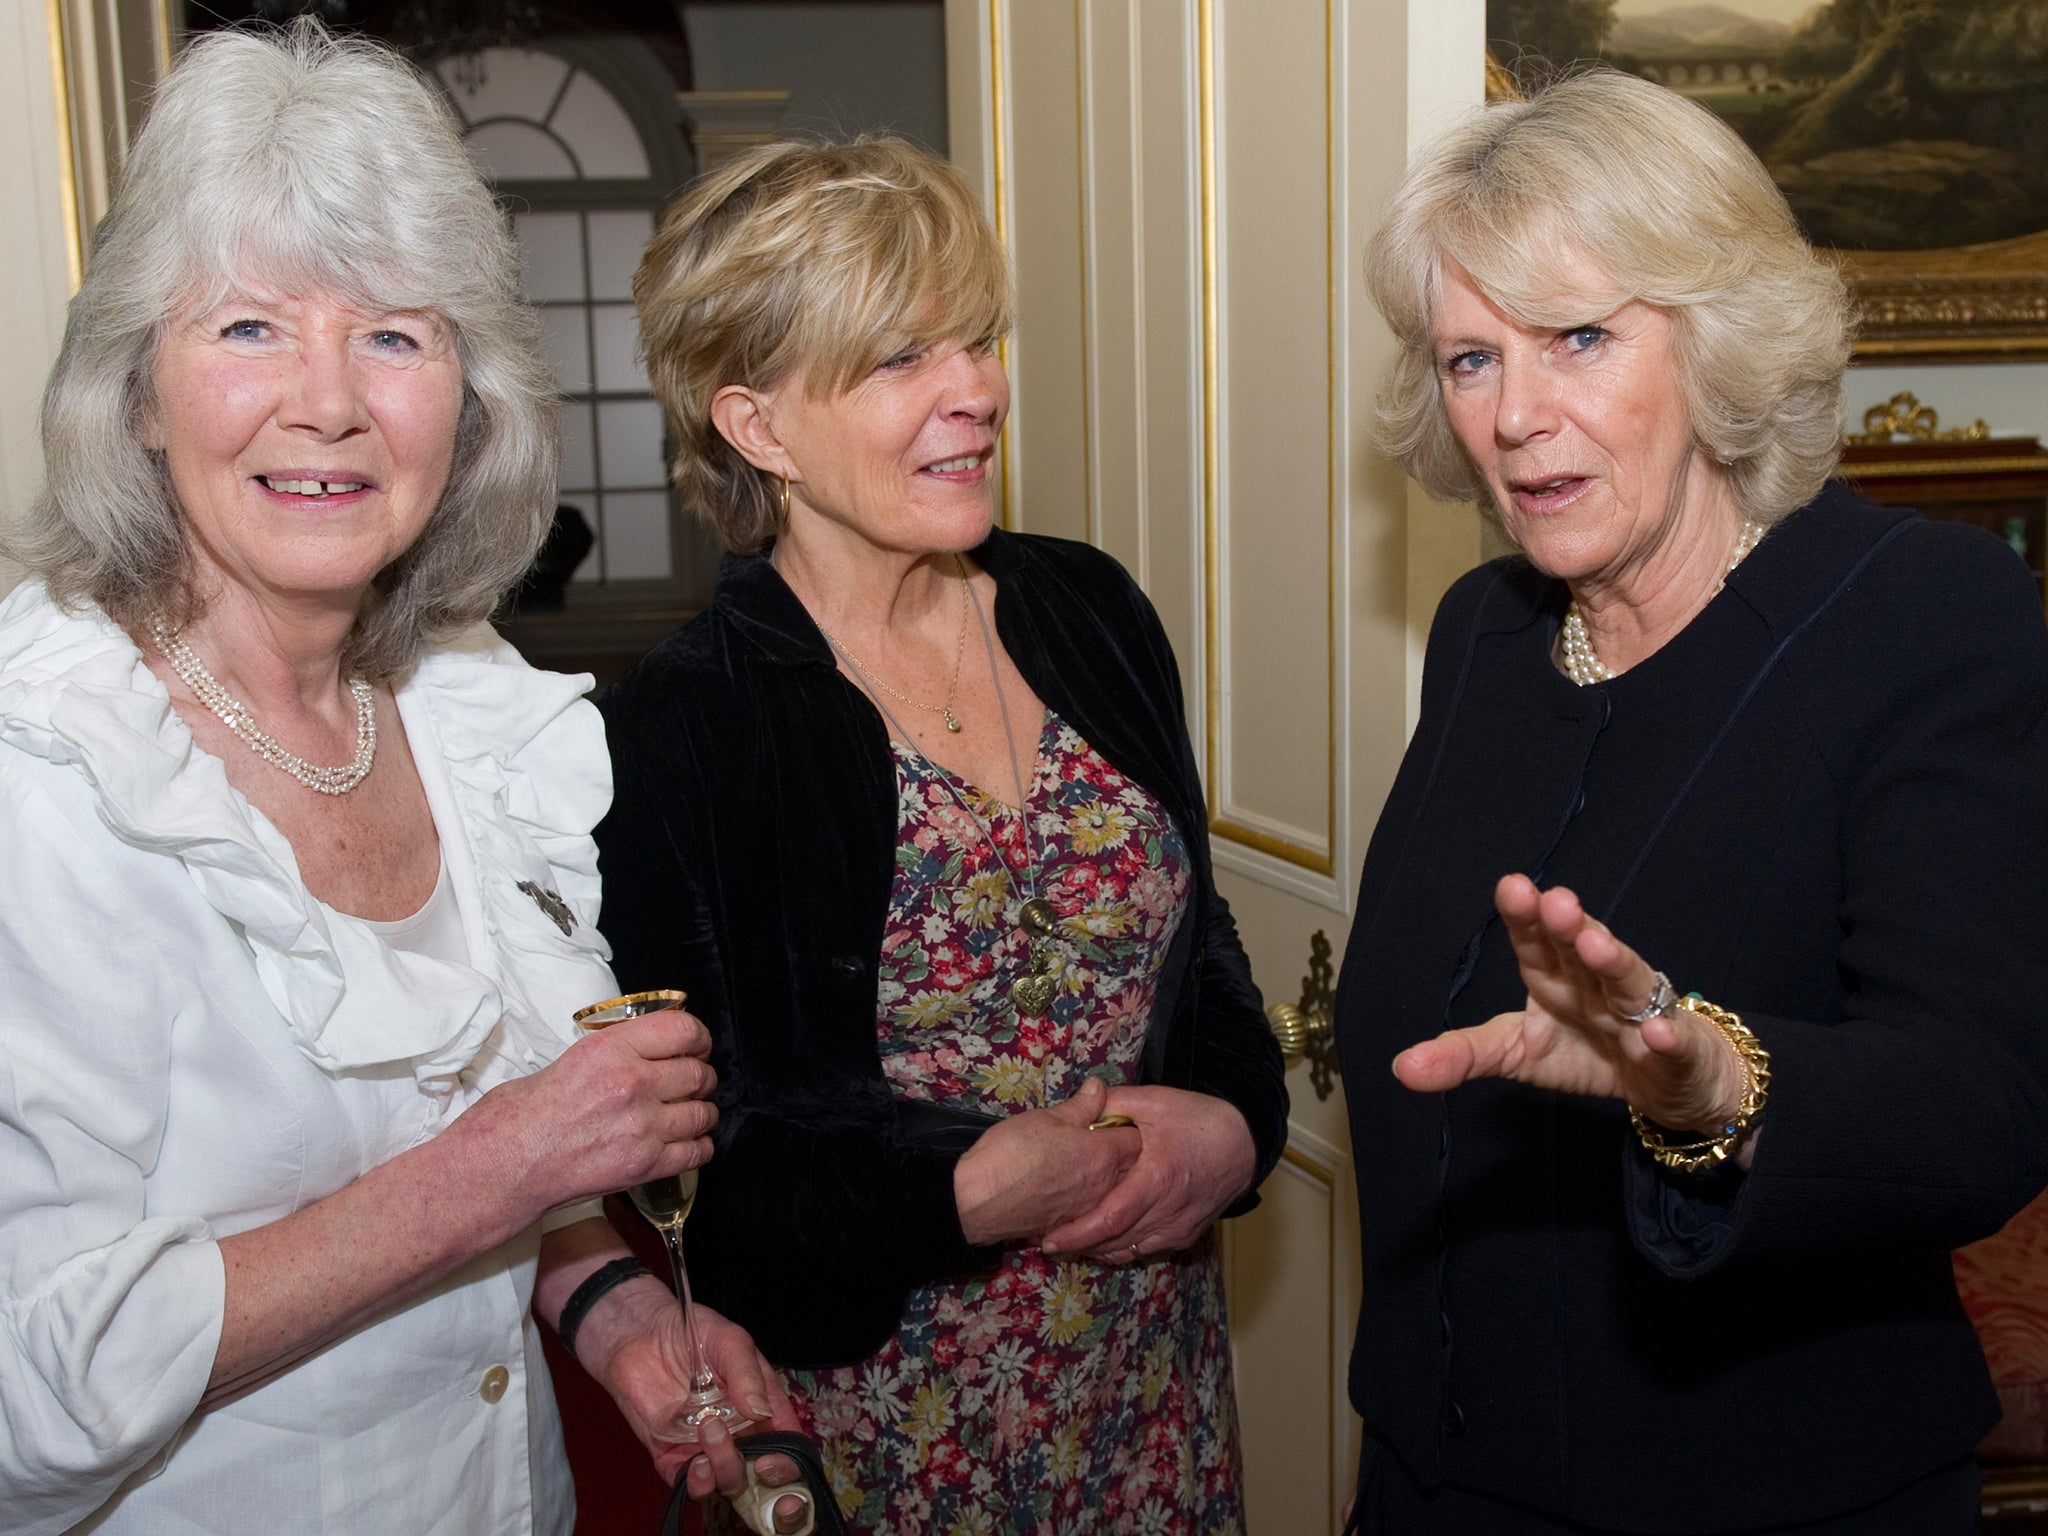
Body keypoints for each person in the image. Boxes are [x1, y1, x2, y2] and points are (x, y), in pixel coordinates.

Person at [0, 24, 802, 1536]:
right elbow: (25, 1401)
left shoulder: (462, 701)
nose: (330, 401)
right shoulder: (45, 770)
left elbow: (504, 1177)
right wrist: (496, 1174)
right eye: (248, 329)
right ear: (139, 392)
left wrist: (611, 1303)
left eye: (395, 333)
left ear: (470, 397)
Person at [1338, 67, 2048, 1534]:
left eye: (1579, 337)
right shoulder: (1485, 634)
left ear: (1721, 343)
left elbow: (1982, 1107)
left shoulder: (1923, 615)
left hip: (1769, 1496)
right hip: (1435, 1479)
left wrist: (1715, 1084)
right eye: (1471, 359)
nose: (1516, 416)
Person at [596, 136, 1290, 1535]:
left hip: (1153, 1393)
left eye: (976, 339)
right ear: (758, 425)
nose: (978, 389)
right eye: (901, 357)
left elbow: (1195, 949)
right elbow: (693, 1168)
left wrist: (1237, 1127)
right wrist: (958, 1190)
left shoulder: (1085, 610)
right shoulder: (681, 726)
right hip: (884, 1427)